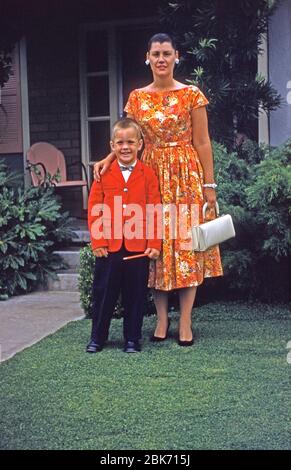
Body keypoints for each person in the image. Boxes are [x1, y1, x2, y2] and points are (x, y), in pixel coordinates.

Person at [94, 33, 223, 347]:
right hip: (150, 176)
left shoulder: (192, 94)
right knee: (155, 249)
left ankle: (186, 319)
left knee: (187, 246)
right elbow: (129, 137)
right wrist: (109, 157)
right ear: (147, 58)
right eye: (156, 53)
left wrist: (209, 185)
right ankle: (163, 319)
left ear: (176, 56)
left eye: (167, 53)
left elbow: (203, 142)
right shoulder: (137, 98)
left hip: (186, 176)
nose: (161, 59)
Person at [86, 117, 161, 353]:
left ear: (140, 144)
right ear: (112, 146)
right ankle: (98, 337)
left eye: (130, 142)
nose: (125, 147)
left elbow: (154, 210)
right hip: (109, 247)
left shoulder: (148, 174)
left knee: (135, 295)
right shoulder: (103, 173)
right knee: (104, 294)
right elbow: (95, 208)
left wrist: (154, 243)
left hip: (137, 248)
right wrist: (98, 241)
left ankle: (132, 339)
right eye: (120, 143)